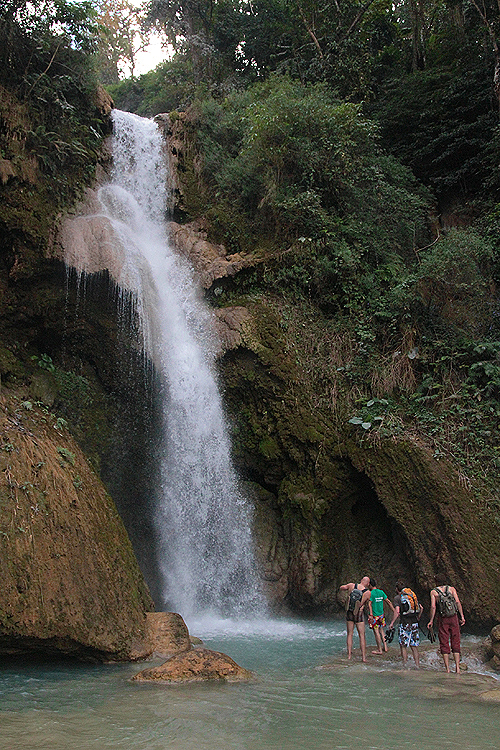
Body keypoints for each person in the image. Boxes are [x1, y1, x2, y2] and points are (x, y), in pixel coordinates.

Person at [427, 573, 466, 674]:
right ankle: (457, 668)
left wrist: (431, 620)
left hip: (443, 619)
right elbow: (457, 602)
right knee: (456, 640)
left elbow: (433, 607)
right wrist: (462, 616)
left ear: (436, 582)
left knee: (444, 642)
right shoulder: (452, 589)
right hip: (454, 618)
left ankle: (447, 669)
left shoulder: (434, 592)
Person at [388, 581, 423, 668]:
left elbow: (397, 611)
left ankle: (405, 665)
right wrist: (418, 617)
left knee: (403, 645)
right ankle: (417, 665)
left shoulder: (397, 598)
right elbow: (421, 608)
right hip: (414, 622)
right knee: (414, 646)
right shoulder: (412, 595)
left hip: (404, 623)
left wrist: (392, 622)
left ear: (397, 589)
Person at [339, 575, 371, 663]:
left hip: (349, 611)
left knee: (350, 633)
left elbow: (342, 587)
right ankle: (363, 657)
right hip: (359, 613)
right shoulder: (367, 592)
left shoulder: (352, 585)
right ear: (368, 584)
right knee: (362, 635)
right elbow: (367, 604)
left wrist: (345, 589)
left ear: (361, 580)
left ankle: (349, 655)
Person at [367, 578, 395, 655]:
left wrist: (371, 614)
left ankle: (379, 650)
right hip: (381, 615)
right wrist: (393, 610)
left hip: (375, 615)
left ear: (369, 584)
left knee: (376, 632)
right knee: (381, 631)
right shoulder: (381, 592)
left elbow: (369, 604)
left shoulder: (371, 593)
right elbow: (388, 601)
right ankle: (385, 647)